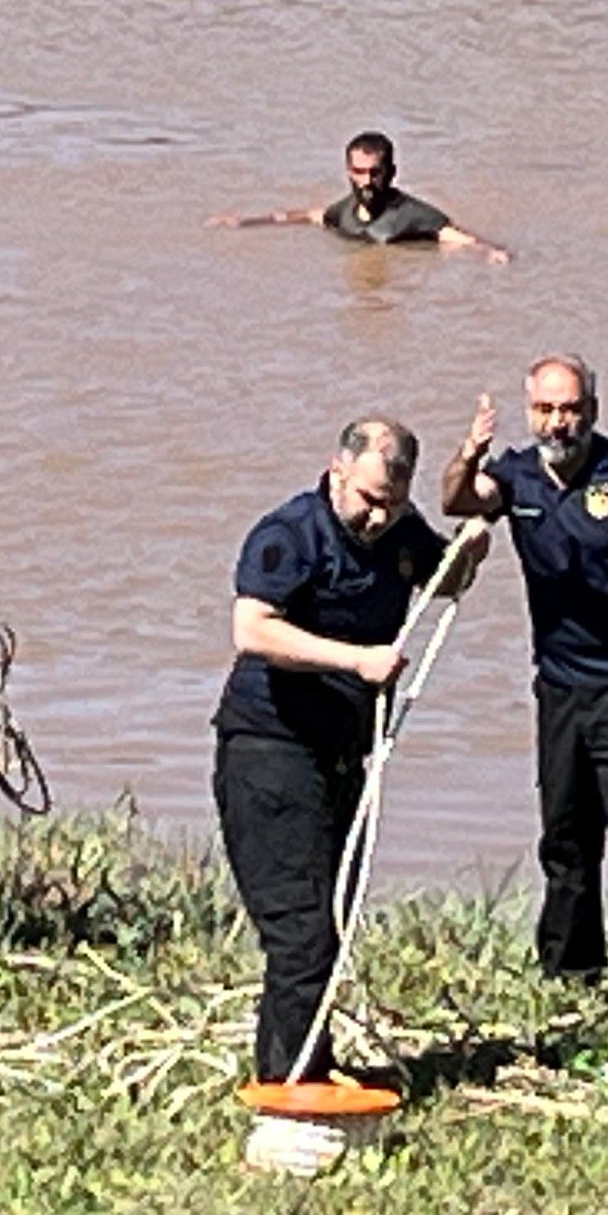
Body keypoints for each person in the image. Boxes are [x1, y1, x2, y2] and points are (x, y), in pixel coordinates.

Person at [439, 356, 608, 1018]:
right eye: (545, 410)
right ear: (529, 410)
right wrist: (468, 451)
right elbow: (455, 500)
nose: (558, 422)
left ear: (592, 407)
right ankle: (571, 976)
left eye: (569, 409)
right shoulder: (515, 473)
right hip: (560, 687)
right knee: (566, 841)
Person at [212, 419, 479, 1083]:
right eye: (366, 499)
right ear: (337, 472)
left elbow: (443, 581)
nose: (377, 517)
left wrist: (470, 549)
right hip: (269, 748)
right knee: (300, 931)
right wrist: (356, 661)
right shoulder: (291, 534)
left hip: (342, 755)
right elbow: (252, 629)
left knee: (325, 926)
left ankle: (298, 1067)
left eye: (391, 502)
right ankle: (288, 1087)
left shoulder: (400, 526)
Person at [212, 131, 509, 261]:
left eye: (373, 173)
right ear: (348, 171)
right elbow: (305, 216)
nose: (365, 182)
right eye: (358, 172)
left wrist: (491, 251)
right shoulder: (343, 213)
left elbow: (459, 238)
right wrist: (245, 223)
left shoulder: (414, 216)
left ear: (390, 172)